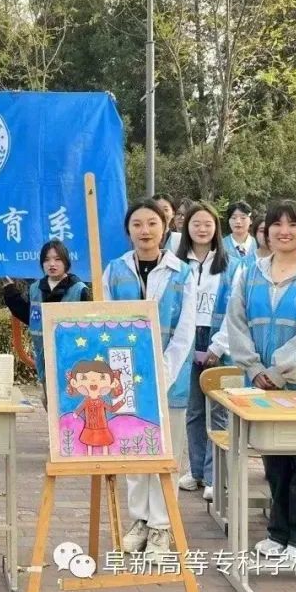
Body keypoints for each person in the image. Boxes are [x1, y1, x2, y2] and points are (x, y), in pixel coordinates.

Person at [224, 200, 296, 560]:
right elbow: (236, 322)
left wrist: (279, 371)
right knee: (274, 462)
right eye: (276, 224)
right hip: (260, 385)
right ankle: (278, 532)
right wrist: (254, 368)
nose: (284, 231)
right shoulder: (251, 273)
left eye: (293, 224)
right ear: (266, 231)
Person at [103, 199, 196, 557]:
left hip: (170, 375)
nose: (145, 231)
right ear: (128, 231)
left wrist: (164, 371)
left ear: (165, 228)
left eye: (152, 223)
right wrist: (121, 372)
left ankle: (161, 526)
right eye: (137, 224)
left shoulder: (181, 273)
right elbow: (105, 321)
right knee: (134, 450)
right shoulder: (115, 270)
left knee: (167, 452)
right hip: (124, 377)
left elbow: (185, 330)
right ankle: (140, 519)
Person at [175, 202, 240, 500]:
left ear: (216, 228)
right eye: (196, 223)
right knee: (193, 410)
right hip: (186, 338)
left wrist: (218, 345)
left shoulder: (232, 266)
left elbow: (235, 310)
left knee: (219, 411)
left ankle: (216, 475)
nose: (202, 229)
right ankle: (197, 470)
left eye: (208, 224)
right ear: (186, 227)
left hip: (218, 340)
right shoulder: (177, 264)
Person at [3, 239, 92, 404]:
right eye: (47, 260)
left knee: (71, 404)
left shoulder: (79, 290)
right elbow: (30, 317)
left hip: (72, 358)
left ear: (66, 262)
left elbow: (89, 327)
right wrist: (10, 292)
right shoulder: (36, 288)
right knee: (49, 402)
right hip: (44, 356)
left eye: (57, 259)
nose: (52, 264)